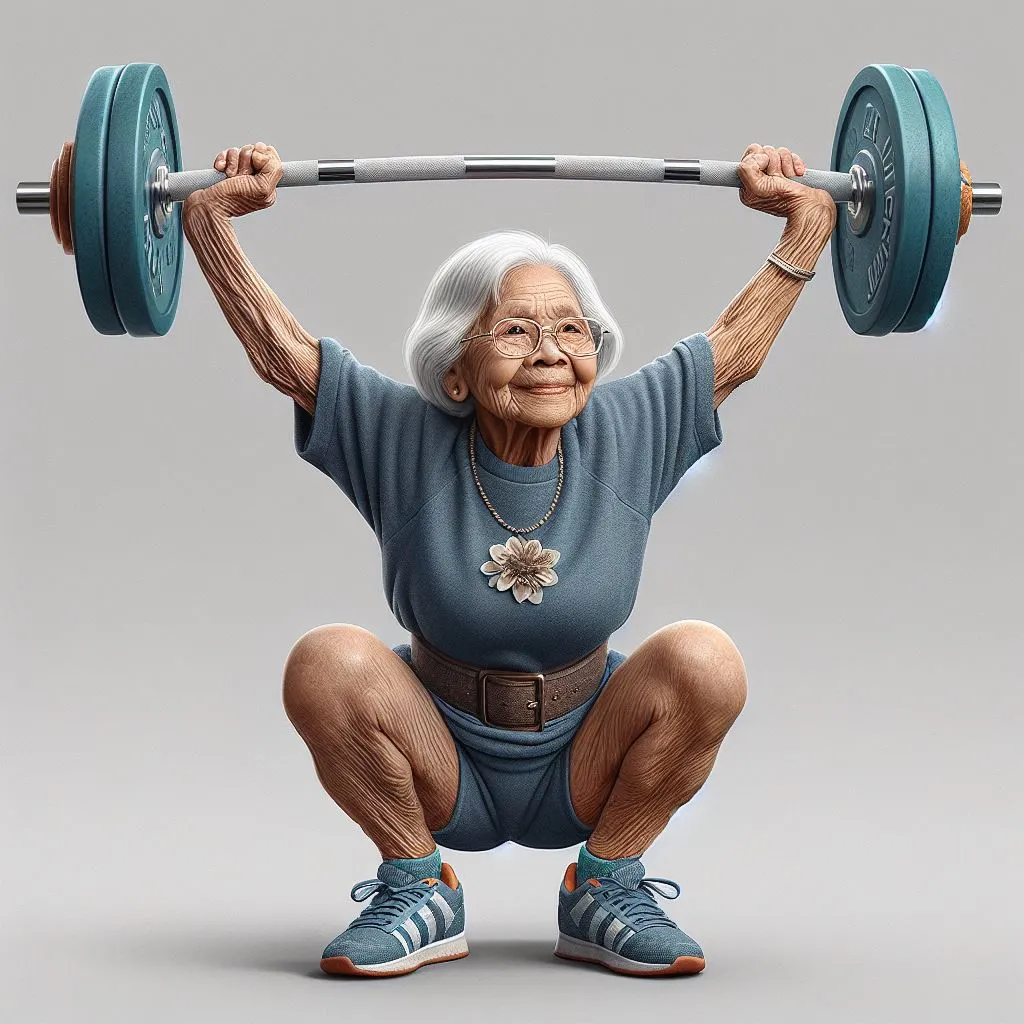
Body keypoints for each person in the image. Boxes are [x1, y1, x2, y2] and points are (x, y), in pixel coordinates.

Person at [182, 141, 836, 978]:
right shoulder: (403, 438)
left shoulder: (628, 428)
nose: (551, 351)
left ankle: (606, 885)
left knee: (706, 660)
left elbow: (737, 346)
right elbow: (282, 354)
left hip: (587, 756)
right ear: (455, 368)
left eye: (572, 329)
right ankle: (419, 886)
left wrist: (809, 223)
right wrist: (208, 221)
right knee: (326, 662)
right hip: (438, 756)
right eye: (517, 330)